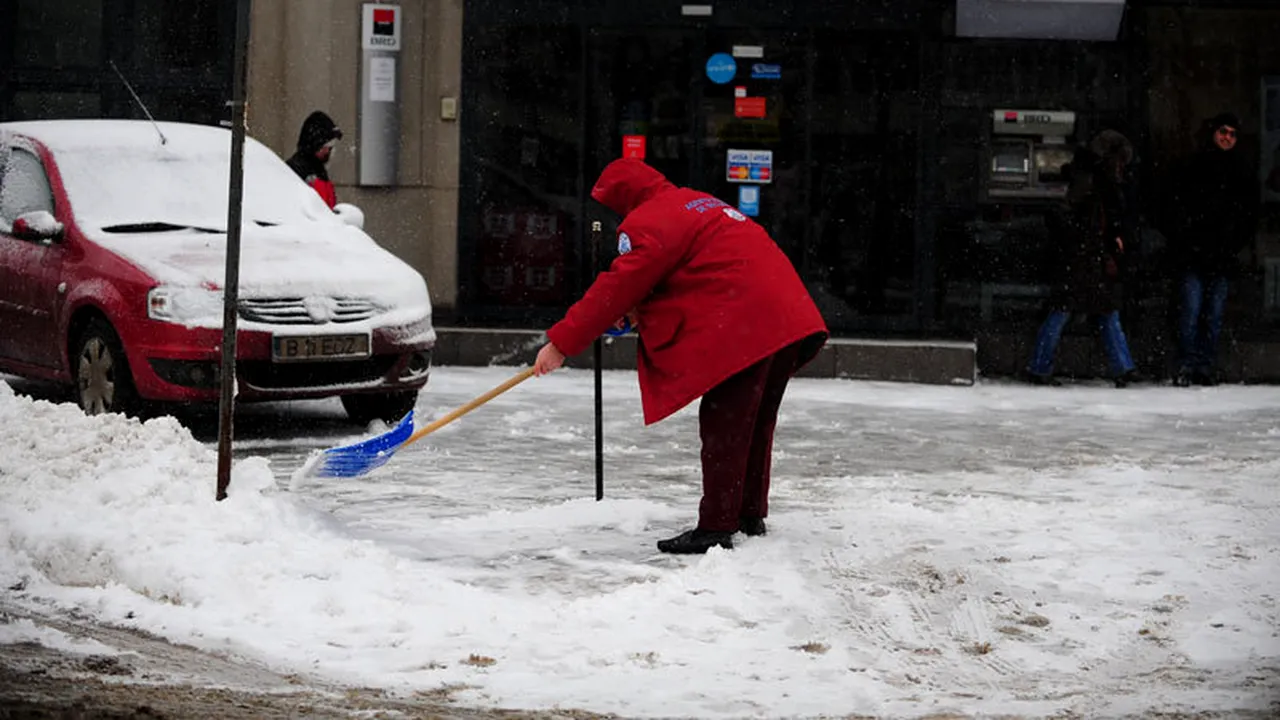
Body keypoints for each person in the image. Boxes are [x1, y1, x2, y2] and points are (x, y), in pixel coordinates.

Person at [533, 158, 829, 555]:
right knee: (754, 421)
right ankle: (747, 514)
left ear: (625, 197)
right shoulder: (696, 203)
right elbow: (697, 272)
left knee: (725, 423)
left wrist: (561, 344)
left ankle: (716, 527)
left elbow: (618, 286)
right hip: (787, 319)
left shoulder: (649, 220)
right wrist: (640, 309)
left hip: (749, 325)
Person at [1024, 129, 1143, 388]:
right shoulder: (1095, 181)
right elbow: (1071, 215)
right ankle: (1122, 367)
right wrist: (1093, 239)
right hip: (1086, 256)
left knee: (1071, 310)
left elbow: (1067, 215)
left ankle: (1041, 365)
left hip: (1083, 256)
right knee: (1095, 311)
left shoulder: (1089, 177)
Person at [1166, 112, 1260, 386]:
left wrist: (1233, 241)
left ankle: (1201, 366)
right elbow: (1172, 206)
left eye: (1232, 134)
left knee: (1211, 315)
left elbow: (1248, 215)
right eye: (1223, 132)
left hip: (1218, 254)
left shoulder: (1240, 171)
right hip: (1196, 253)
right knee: (1193, 312)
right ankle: (1189, 365)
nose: (1227, 138)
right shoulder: (1193, 167)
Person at [286, 111, 343, 210]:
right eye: (326, 146)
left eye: (330, 147)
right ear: (315, 145)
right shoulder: (295, 170)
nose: (328, 151)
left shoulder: (319, 170)